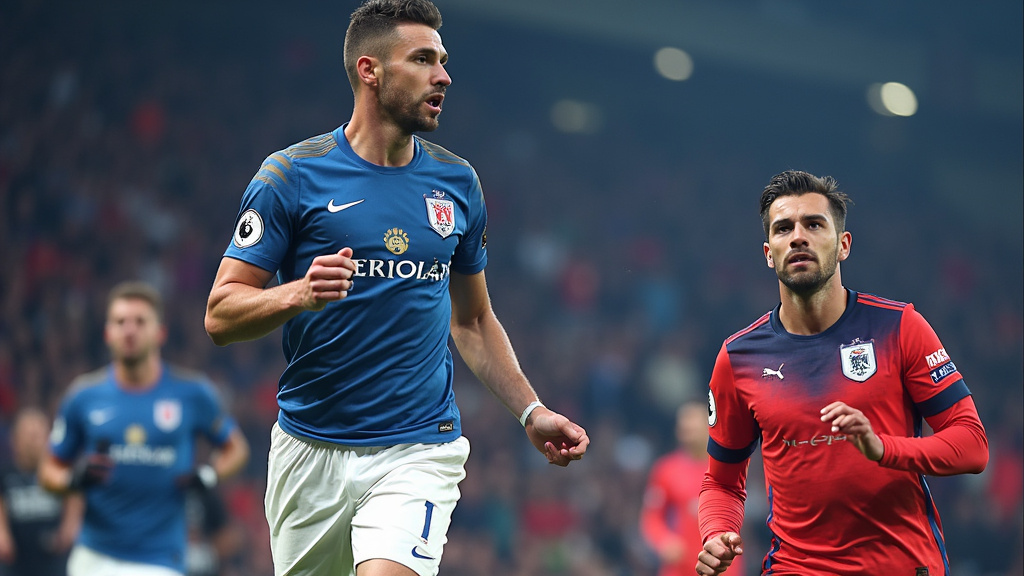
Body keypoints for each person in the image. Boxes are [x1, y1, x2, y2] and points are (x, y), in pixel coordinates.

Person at [203, 1, 589, 574]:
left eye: (444, 61)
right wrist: (297, 294)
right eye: (423, 60)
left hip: (417, 448)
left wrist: (531, 411)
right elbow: (220, 315)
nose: (443, 76)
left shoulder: (457, 183)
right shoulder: (290, 176)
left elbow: (474, 321)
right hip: (309, 450)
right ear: (370, 70)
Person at [695, 170, 989, 576]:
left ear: (843, 244)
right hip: (795, 568)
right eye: (784, 228)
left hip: (901, 565)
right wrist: (717, 532)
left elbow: (973, 445)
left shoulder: (899, 327)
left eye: (814, 224)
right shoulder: (738, 357)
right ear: (768, 252)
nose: (798, 236)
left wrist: (882, 448)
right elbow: (722, 483)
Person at [38, 281, 250, 576]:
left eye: (139, 321)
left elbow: (236, 449)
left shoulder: (193, 394)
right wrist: (73, 480)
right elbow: (49, 470)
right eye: (120, 321)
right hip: (93, 556)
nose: (129, 330)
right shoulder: (82, 397)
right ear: (107, 333)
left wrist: (209, 475)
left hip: (160, 560)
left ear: (159, 332)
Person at [641, 401, 743, 576]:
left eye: (693, 420)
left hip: (723, 567)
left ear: (710, 425)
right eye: (683, 422)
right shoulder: (666, 469)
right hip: (679, 567)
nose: (687, 426)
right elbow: (652, 517)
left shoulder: (730, 467)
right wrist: (664, 541)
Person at [0, 407, 82, 576]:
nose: (33, 441)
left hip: (54, 558)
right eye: (29, 435)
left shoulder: (59, 471)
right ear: (14, 440)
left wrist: (69, 527)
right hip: (15, 558)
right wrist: (2, 533)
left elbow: (75, 494)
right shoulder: (5, 473)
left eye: (38, 435)